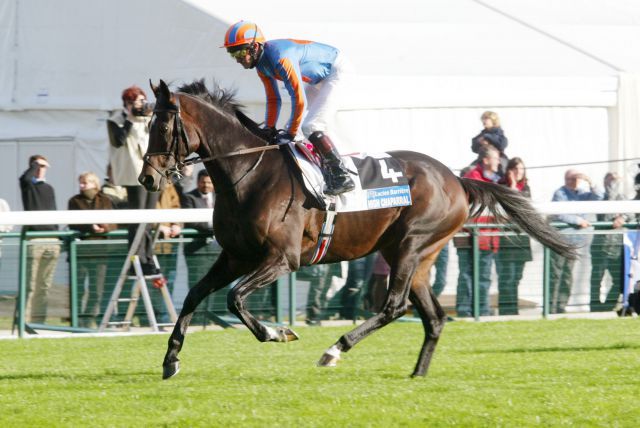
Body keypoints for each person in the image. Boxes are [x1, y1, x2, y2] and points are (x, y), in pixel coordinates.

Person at [222, 20, 355, 196]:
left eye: (239, 52)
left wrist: (290, 132)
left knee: (310, 126)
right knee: (298, 130)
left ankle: (342, 176)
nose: (237, 59)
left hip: (336, 72)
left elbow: (299, 100)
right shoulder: (260, 65)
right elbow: (273, 98)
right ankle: (319, 173)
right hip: (319, 80)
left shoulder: (280, 57)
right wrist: (269, 128)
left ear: (254, 47)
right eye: (232, 54)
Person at [106, 85, 159, 275]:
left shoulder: (148, 120)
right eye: (138, 102)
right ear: (128, 104)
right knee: (138, 219)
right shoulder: (116, 119)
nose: (142, 106)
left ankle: (147, 257)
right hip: (133, 174)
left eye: (143, 101)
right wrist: (129, 118)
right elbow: (118, 140)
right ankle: (138, 258)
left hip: (152, 173)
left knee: (149, 219)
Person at [455, 146, 501, 317]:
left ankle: (482, 309)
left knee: (484, 276)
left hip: (488, 237)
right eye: (496, 158)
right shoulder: (473, 177)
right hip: (469, 236)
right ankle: (465, 310)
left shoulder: (494, 180)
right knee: (467, 275)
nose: (498, 162)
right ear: (486, 160)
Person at [549, 169, 603, 314]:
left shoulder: (583, 194)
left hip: (575, 242)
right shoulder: (559, 193)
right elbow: (559, 213)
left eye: (574, 179)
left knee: (567, 274)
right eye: (569, 179)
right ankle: (550, 307)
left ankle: (561, 306)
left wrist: (590, 181)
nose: (571, 181)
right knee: (555, 274)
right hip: (559, 240)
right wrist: (578, 220)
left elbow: (599, 196)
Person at [67, 172, 117, 327]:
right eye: (81, 182)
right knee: (78, 288)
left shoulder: (105, 200)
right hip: (80, 250)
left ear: (95, 184)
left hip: (100, 250)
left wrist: (105, 226)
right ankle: (75, 319)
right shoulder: (74, 201)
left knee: (96, 289)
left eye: (85, 182)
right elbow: (72, 222)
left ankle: (88, 319)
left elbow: (114, 222)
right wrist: (90, 226)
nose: (82, 185)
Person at [19, 155, 61, 323]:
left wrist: (57, 235)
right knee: (30, 284)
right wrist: (35, 165)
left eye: (44, 166)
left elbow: (53, 210)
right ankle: (25, 322)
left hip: (51, 240)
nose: (40, 169)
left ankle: (38, 321)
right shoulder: (28, 186)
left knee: (44, 285)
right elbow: (25, 178)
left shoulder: (49, 188)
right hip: (34, 239)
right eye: (37, 166)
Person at [182, 169, 224, 323]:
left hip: (217, 249)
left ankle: (214, 317)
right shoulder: (189, 198)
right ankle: (196, 319)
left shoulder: (221, 197)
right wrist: (215, 228)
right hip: (196, 250)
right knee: (197, 283)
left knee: (217, 283)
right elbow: (191, 221)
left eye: (209, 182)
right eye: (203, 182)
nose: (206, 185)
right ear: (197, 182)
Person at [495, 158, 533, 315]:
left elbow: (525, 208)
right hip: (507, 239)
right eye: (516, 169)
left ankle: (512, 309)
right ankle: (507, 310)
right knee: (507, 277)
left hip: (521, 238)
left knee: (516, 277)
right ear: (509, 170)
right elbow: (508, 209)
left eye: (522, 169)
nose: (519, 172)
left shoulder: (526, 187)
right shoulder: (501, 186)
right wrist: (511, 186)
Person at [590, 172, 628, 312]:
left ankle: (607, 306)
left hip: (616, 247)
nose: (613, 184)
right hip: (600, 246)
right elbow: (606, 216)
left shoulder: (622, 198)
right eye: (610, 181)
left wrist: (623, 217)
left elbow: (631, 214)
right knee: (596, 279)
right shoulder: (600, 197)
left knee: (619, 280)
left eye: (615, 181)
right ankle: (594, 307)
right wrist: (612, 191)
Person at [471, 111, 509, 175]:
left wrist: (487, 137)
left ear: (493, 120)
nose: (484, 121)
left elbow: (502, 144)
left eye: (486, 119)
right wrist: (480, 142)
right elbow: (473, 147)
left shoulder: (498, 132)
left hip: (498, 159)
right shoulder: (482, 134)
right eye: (483, 119)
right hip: (483, 160)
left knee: (502, 173)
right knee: (468, 170)